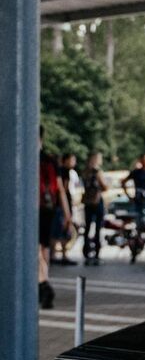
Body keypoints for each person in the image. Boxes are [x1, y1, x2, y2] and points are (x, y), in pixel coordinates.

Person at [37, 126, 70, 309]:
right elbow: (61, 189)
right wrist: (67, 214)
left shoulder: (26, 156)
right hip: (49, 209)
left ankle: (43, 285)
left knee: (35, 250)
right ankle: (44, 281)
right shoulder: (51, 160)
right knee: (45, 248)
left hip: (34, 210)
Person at [52, 153, 81, 264]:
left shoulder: (65, 171)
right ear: (66, 160)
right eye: (72, 160)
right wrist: (66, 209)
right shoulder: (63, 172)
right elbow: (62, 190)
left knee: (62, 230)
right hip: (62, 205)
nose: (74, 162)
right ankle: (55, 256)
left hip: (63, 205)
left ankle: (59, 255)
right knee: (60, 229)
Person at [80, 152, 108, 265]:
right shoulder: (97, 172)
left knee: (87, 228)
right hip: (96, 202)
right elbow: (105, 186)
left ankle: (86, 251)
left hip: (87, 202)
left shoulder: (85, 172)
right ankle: (96, 252)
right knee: (97, 229)